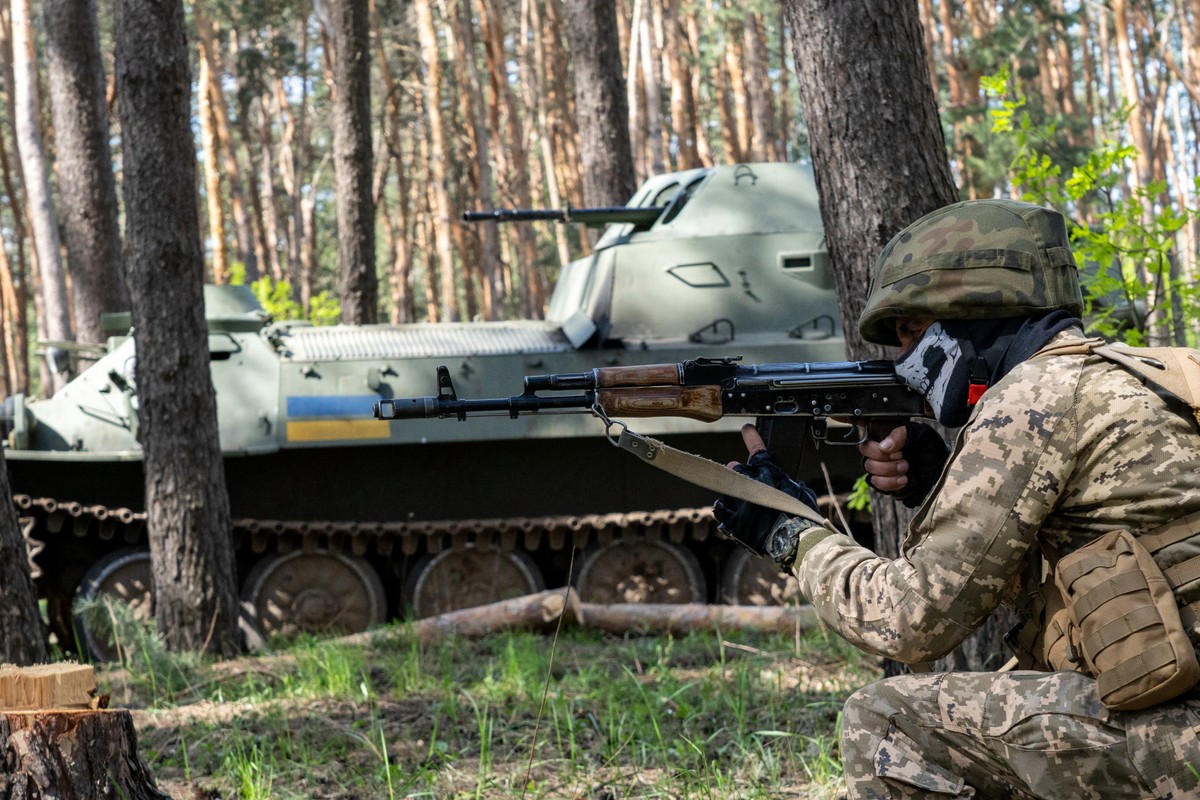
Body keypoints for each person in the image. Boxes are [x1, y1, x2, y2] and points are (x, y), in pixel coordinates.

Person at [713, 198, 1200, 799]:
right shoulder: (1156, 373)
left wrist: (789, 532)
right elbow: (1111, 564)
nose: (903, 359)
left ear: (974, 309)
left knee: (885, 720)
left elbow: (908, 622)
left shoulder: (1031, 400)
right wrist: (942, 478)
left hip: (1181, 739)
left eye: (910, 331)